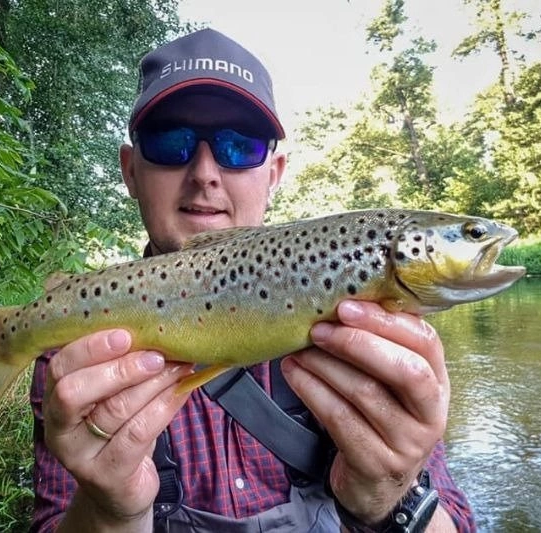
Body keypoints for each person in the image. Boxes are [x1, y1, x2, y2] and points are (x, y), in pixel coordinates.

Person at [29, 28, 476, 533]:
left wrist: (391, 497)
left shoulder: (366, 327)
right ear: (131, 171)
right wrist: (110, 513)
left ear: (274, 173)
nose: (205, 173)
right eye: (171, 142)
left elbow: (457, 521)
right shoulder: (76, 352)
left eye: (238, 146)